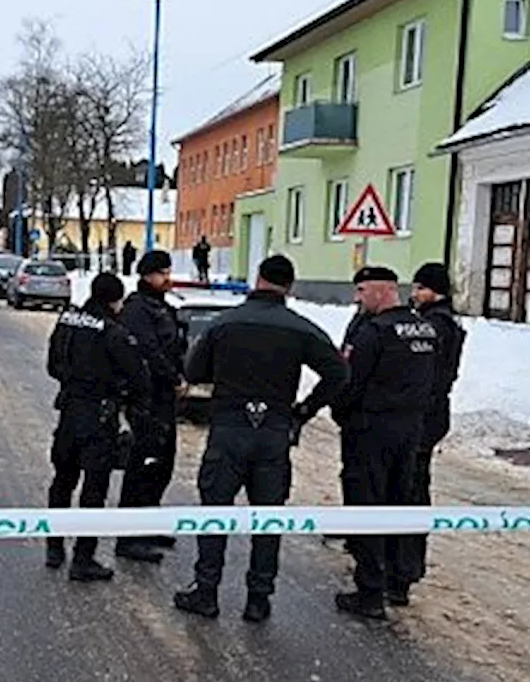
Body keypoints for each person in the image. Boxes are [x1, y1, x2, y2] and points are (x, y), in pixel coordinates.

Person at [173, 255, 348, 621]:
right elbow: (338, 373)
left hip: (229, 427)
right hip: (273, 431)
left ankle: (206, 592)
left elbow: (192, 369)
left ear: (258, 279)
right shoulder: (301, 328)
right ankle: (258, 598)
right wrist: (304, 410)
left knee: (215, 514)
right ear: (290, 285)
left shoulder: (225, 323)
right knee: (268, 518)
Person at [330, 266, 437, 619]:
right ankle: (396, 580)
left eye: (362, 291)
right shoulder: (424, 328)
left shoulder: (373, 333)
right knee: (397, 503)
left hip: (370, 431)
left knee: (366, 505)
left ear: (381, 290)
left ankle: (370, 592)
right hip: (409, 430)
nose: (357, 298)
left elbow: (350, 382)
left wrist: (340, 413)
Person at [44, 272, 152, 581]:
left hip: (69, 412)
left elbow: (53, 366)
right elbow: (139, 379)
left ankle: (54, 547)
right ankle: (83, 558)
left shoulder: (67, 322)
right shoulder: (113, 333)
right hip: (99, 418)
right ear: (115, 300)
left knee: (62, 481)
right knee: (94, 489)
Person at [116, 249, 186, 563]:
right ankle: (129, 536)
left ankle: (149, 521)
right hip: (146, 399)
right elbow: (149, 350)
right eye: (162, 273)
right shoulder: (137, 309)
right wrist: (173, 377)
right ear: (147, 276)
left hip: (164, 400)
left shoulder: (161, 307)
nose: (167, 278)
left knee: (162, 463)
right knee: (142, 464)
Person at [404, 262, 467, 583]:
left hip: (424, 415)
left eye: (419, 288)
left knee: (412, 488)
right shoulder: (443, 322)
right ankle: (406, 565)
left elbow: (429, 374)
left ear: (434, 290)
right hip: (432, 412)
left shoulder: (435, 326)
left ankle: (407, 568)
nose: (414, 294)